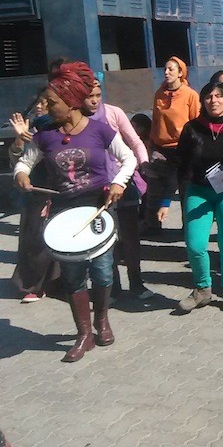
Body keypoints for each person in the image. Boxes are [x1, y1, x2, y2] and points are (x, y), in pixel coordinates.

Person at [13, 62, 136, 362]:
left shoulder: (101, 130)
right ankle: (84, 335)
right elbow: (24, 162)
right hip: (64, 213)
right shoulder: (45, 135)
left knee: (103, 270)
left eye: (52, 102)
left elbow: (129, 157)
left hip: (99, 210)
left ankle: (102, 320)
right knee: (73, 274)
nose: (47, 107)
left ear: (70, 102)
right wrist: (21, 174)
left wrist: (119, 183)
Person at [166, 81, 223, 314]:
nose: (214, 100)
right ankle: (202, 290)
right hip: (199, 191)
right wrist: (165, 200)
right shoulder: (192, 129)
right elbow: (180, 165)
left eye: (219, 96)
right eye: (209, 96)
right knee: (195, 244)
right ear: (203, 101)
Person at [83, 77, 153, 300]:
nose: (94, 101)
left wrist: (143, 163)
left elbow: (135, 141)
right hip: (96, 190)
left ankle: (137, 283)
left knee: (130, 238)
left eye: (98, 95)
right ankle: (112, 287)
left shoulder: (114, 113)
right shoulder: (76, 120)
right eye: (89, 96)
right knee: (105, 240)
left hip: (123, 184)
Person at [8, 93, 60, 303]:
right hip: (33, 192)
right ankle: (32, 285)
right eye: (38, 103)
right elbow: (16, 160)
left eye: (44, 103)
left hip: (56, 192)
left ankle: (55, 283)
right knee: (33, 240)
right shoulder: (33, 131)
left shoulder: (50, 128)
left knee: (52, 239)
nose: (39, 107)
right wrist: (20, 138)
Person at [144, 56, 200, 234]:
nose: (166, 73)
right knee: (154, 189)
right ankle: (152, 226)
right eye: (165, 69)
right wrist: (151, 144)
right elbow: (155, 121)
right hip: (160, 149)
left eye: (171, 69)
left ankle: (189, 229)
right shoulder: (159, 94)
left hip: (182, 150)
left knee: (184, 190)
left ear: (181, 73)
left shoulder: (190, 95)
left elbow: (195, 122)